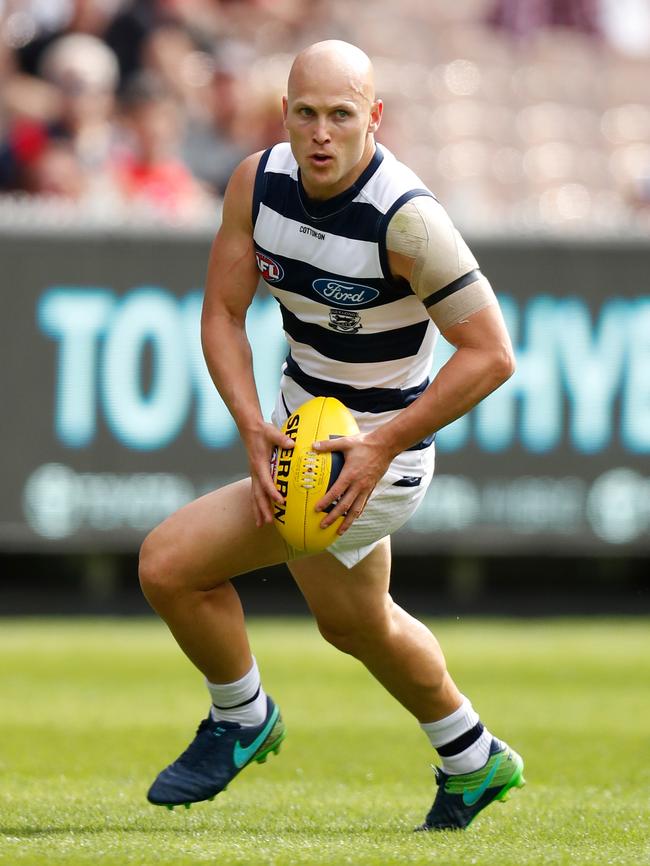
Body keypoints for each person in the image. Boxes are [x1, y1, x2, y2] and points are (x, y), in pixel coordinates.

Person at [139, 39, 524, 832]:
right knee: (356, 623)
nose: (321, 132)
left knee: (169, 566)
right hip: (298, 434)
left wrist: (382, 444)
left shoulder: (407, 220)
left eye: (341, 115)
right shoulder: (259, 181)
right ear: (283, 113)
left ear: (373, 118)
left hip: (377, 458)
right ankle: (472, 754)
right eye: (305, 113)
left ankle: (241, 718)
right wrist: (252, 424)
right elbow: (221, 312)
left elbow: (491, 355)